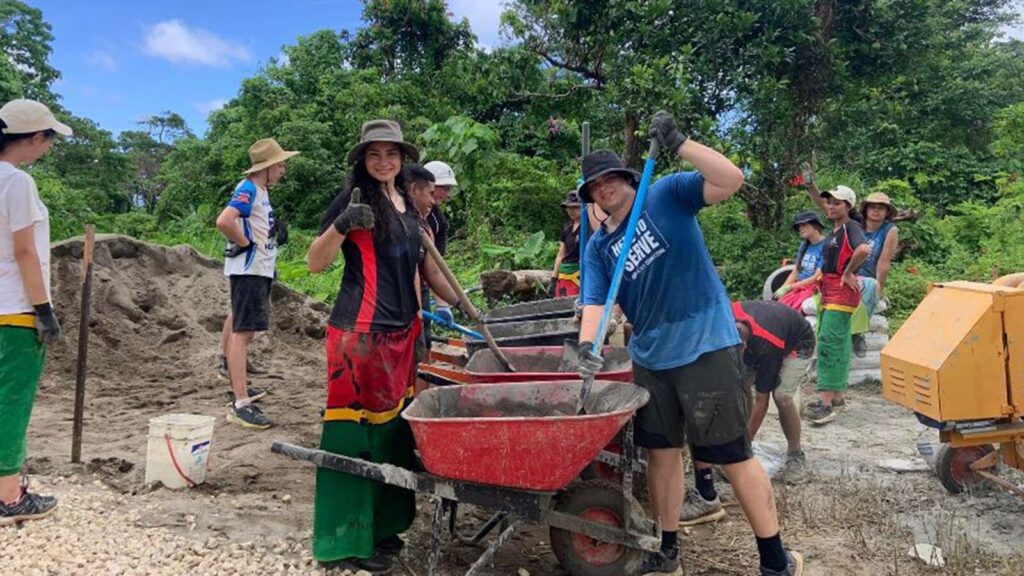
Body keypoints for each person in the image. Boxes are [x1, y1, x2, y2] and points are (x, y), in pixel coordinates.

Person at [577, 111, 802, 576]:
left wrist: (680, 142)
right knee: (660, 457)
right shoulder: (599, 247)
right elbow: (596, 302)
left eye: (610, 178)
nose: (604, 188)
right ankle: (667, 550)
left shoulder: (665, 195)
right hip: (651, 357)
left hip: (705, 346)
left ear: (625, 177)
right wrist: (586, 347)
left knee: (732, 455)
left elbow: (730, 179)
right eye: (594, 186)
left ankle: (775, 560)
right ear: (591, 196)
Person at [307, 120, 462, 573]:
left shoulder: (411, 206)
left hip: (403, 337)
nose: (383, 162)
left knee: (394, 433)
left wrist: (462, 306)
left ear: (401, 158)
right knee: (354, 437)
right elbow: (316, 263)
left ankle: (383, 528)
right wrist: (341, 224)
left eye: (390, 153)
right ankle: (345, 541)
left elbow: (431, 270)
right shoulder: (352, 200)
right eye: (373, 154)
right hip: (359, 338)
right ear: (362, 159)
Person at [682, 300, 815, 527]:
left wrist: (740, 447)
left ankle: (795, 454)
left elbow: (761, 400)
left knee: (781, 396)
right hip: (764, 332)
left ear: (744, 346)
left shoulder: (767, 346)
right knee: (739, 384)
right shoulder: (722, 318)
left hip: (796, 342)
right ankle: (734, 442)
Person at [0, 99, 70, 524]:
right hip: (14, 310)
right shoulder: (17, 184)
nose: (47, 147)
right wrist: (43, 309)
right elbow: (25, 250)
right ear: (32, 138)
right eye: (47, 139)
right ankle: (9, 497)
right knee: (11, 401)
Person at [215, 138, 298, 429]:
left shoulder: (259, 190)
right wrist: (246, 242)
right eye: (281, 163)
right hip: (250, 269)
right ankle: (240, 404)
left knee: (237, 318)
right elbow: (225, 220)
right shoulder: (249, 188)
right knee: (245, 333)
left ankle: (229, 370)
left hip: (256, 269)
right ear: (268, 166)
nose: (283, 169)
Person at [802, 185, 871, 425]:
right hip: (832, 291)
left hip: (840, 293)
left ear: (848, 207)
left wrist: (848, 272)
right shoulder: (837, 229)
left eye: (837, 203)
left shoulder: (850, 227)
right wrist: (811, 186)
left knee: (829, 343)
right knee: (838, 342)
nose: (830, 206)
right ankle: (838, 396)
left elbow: (863, 249)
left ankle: (825, 403)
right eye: (828, 202)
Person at [424, 160, 457, 324]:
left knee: (422, 340)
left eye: (448, 189)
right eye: (443, 188)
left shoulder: (438, 221)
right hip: (391, 287)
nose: (446, 194)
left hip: (421, 286)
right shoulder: (400, 210)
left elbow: (437, 265)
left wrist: (442, 304)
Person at [774, 211, 825, 311]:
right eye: (798, 226)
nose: (800, 229)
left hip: (814, 287)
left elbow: (817, 277)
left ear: (815, 225)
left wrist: (790, 287)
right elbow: (796, 271)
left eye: (803, 225)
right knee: (779, 306)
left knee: (795, 309)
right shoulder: (804, 246)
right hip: (799, 285)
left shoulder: (826, 246)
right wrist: (782, 289)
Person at [549, 190, 583, 297]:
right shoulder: (567, 228)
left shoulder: (589, 227)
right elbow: (560, 255)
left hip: (580, 272)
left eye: (575, 207)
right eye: (569, 208)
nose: (571, 211)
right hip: (564, 273)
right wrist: (553, 279)